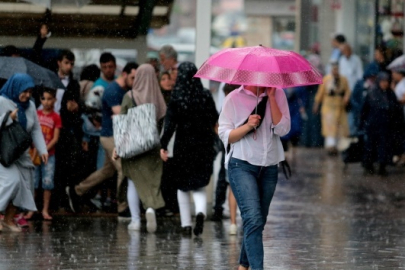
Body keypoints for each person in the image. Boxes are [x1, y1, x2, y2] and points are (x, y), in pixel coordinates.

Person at [218, 84, 290, 270]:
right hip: (241, 164)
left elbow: (283, 129)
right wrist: (248, 126)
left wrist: (272, 98)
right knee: (253, 218)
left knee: (258, 221)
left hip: (269, 167)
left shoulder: (278, 93)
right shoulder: (233, 98)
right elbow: (225, 135)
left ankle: (243, 265)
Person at [66, 62, 138, 216]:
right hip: (110, 136)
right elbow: (119, 115)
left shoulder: (124, 89)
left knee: (107, 171)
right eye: (133, 77)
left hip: (115, 135)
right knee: (123, 169)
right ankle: (122, 207)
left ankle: (77, 190)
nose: (135, 81)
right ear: (124, 74)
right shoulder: (113, 90)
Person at [160, 62, 218, 237]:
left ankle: (186, 225)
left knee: (182, 187)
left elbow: (169, 125)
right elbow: (214, 118)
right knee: (199, 185)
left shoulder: (177, 97)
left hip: (183, 147)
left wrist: (162, 145)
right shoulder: (205, 95)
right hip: (203, 146)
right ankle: (200, 212)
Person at [115, 64, 167, 232]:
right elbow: (164, 123)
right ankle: (150, 208)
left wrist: (119, 146)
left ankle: (136, 220)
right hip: (153, 147)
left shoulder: (129, 96)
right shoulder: (159, 98)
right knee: (152, 182)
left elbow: (122, 122)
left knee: (132, 181)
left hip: (133, 146)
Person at [0, 74, 48, 232]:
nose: (27, 95)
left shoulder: (30, 105)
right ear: (15, 88)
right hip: (3, 153)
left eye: (30, 91)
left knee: (25, 186)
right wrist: (8, 118)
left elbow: (35, 129)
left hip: (20, 153)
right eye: (24, 91)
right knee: (12, 181)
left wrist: (42, 150)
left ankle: (8, 219)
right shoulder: (2, 101)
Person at [25, 87, 61, 220]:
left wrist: (44, 149)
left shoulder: (56, 117)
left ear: (55, 100)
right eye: (43, 99)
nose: (46, 102)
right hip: (35, 153)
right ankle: (31, 209)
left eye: (50, 99)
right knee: (33, 181)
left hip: (49, 155)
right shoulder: (37, 114)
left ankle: (45, 209)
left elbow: (55, 138)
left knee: (47, 182)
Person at [360, 72, 403, 176]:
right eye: (383, 81)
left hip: (386, 126)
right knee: (371, 146)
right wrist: (363, 123)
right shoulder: (372, 93)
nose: (385, 84)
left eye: (386, 81)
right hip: (373, 125)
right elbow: (365, 110)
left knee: (384, 147)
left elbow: (396, 108)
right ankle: (368, 166)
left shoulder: (390, 94)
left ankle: (382, 166)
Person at [313, 62, 350, 155]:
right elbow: (320, 94)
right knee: (329, 128)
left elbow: (347, 91)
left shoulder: (343, 79)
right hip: (328, 107)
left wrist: (346, 98)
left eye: (337, 69)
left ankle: (338, 147)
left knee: (339, 128)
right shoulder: (326, 79)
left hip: (340, 107)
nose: (335, 71)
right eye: (334, 69)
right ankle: (331, 147)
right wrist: (316, 105)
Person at [159, 71, 179, 215]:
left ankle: (172, 205)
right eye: (163, 79)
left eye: (169, 79)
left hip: (173, 142)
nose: (167, 82)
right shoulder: (157, 98)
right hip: (161, 141)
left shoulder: (176, 98)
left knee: (171, 175)